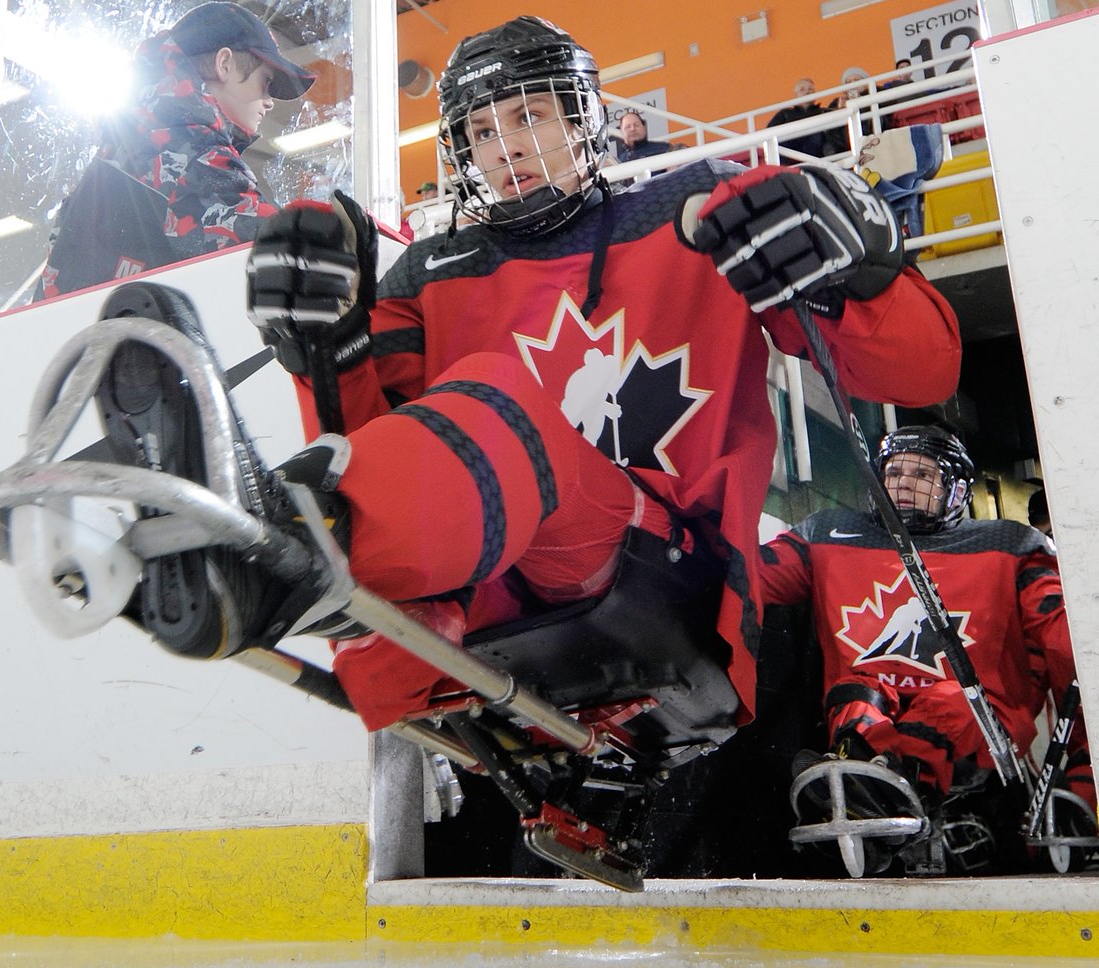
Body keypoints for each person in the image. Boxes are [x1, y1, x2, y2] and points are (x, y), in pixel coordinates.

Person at [98, 16, 961, 739]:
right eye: (480, 131)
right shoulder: (429, 273)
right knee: (414, 521)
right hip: (486, 600)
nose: (505, 148)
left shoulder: (700, 212)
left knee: (494, 407)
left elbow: (923, 370)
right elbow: (374, 448)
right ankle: (260, 554)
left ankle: (270, 550)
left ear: (585, 118)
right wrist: (322, 350)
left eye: (530, 117)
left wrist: (863, 267)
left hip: (668, 582)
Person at [758, 425, 1092, 874]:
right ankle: (864, 777)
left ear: (956, 489)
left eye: (922, 474)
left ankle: (885, 791)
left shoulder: (1011, 545)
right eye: (893, 472)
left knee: (951, 703)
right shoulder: (827, 534)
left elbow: (1067, 637)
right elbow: (753, 576)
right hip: (876, 704)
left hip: (979, 715)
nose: (903, 483)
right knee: (856, 691)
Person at [36, 2, 315, 300]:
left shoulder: (123, 146)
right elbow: (281, 254)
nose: (269, 100)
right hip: (139, 342)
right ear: (225, 64)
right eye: (267, 82)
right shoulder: (189, 152)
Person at [765, 77, 826, 164]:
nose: (807, 92)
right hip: (791, 150)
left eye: (811, 89)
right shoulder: (785, 113)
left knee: (817, 134)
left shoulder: (823, 112)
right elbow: (769, 131)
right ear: (796, 95)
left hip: (814, 153)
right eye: (802, 89)